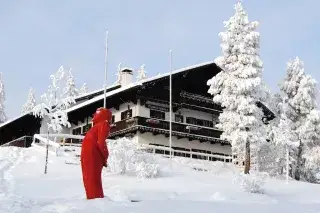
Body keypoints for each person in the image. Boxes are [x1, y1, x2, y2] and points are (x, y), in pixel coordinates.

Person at [80, 107, 112, 200]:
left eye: (95, 114)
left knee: (88, 178)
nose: (93, 116)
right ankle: (96, 199)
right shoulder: (104, 124)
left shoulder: (95, 128)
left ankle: (91, 198)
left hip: (87, 154)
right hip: (93, 154)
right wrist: (106, 155)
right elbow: (101, 143)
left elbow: (99, 142)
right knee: (94, 178)